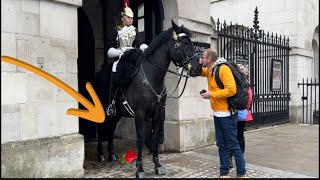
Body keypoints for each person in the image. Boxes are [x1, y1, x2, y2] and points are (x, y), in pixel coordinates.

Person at [199, 48, 247, 178]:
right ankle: (224, 173)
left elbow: (231, 90)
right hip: (217, 113)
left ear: (209, 59)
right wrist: (196, 63)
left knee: (233, 144)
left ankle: (242, 173)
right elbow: (200, 71)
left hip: (227, 114)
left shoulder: (223, 69)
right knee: (221, 144)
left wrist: (212, 94)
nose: (201, 59)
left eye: (203, 57)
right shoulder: (210, 69)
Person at [106, 2, 148, 117]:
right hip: (120, 58)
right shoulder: (116, 31)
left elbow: (140, 43)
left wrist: (146, 48)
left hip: (133, 57)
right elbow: (109, 49)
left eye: (132, 18)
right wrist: (120, 52)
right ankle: (112, 104)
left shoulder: (135, 30)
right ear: (122, 18)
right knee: (114, 76)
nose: (131, 20)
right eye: (128, 17)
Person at [229, 64, 253, 169]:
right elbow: (250, 99)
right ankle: (240, 157)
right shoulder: (247, 84)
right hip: (243, 113)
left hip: (233, 113)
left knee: (230, 136)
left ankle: (229, 159)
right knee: (240, 135)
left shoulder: (233, 83)